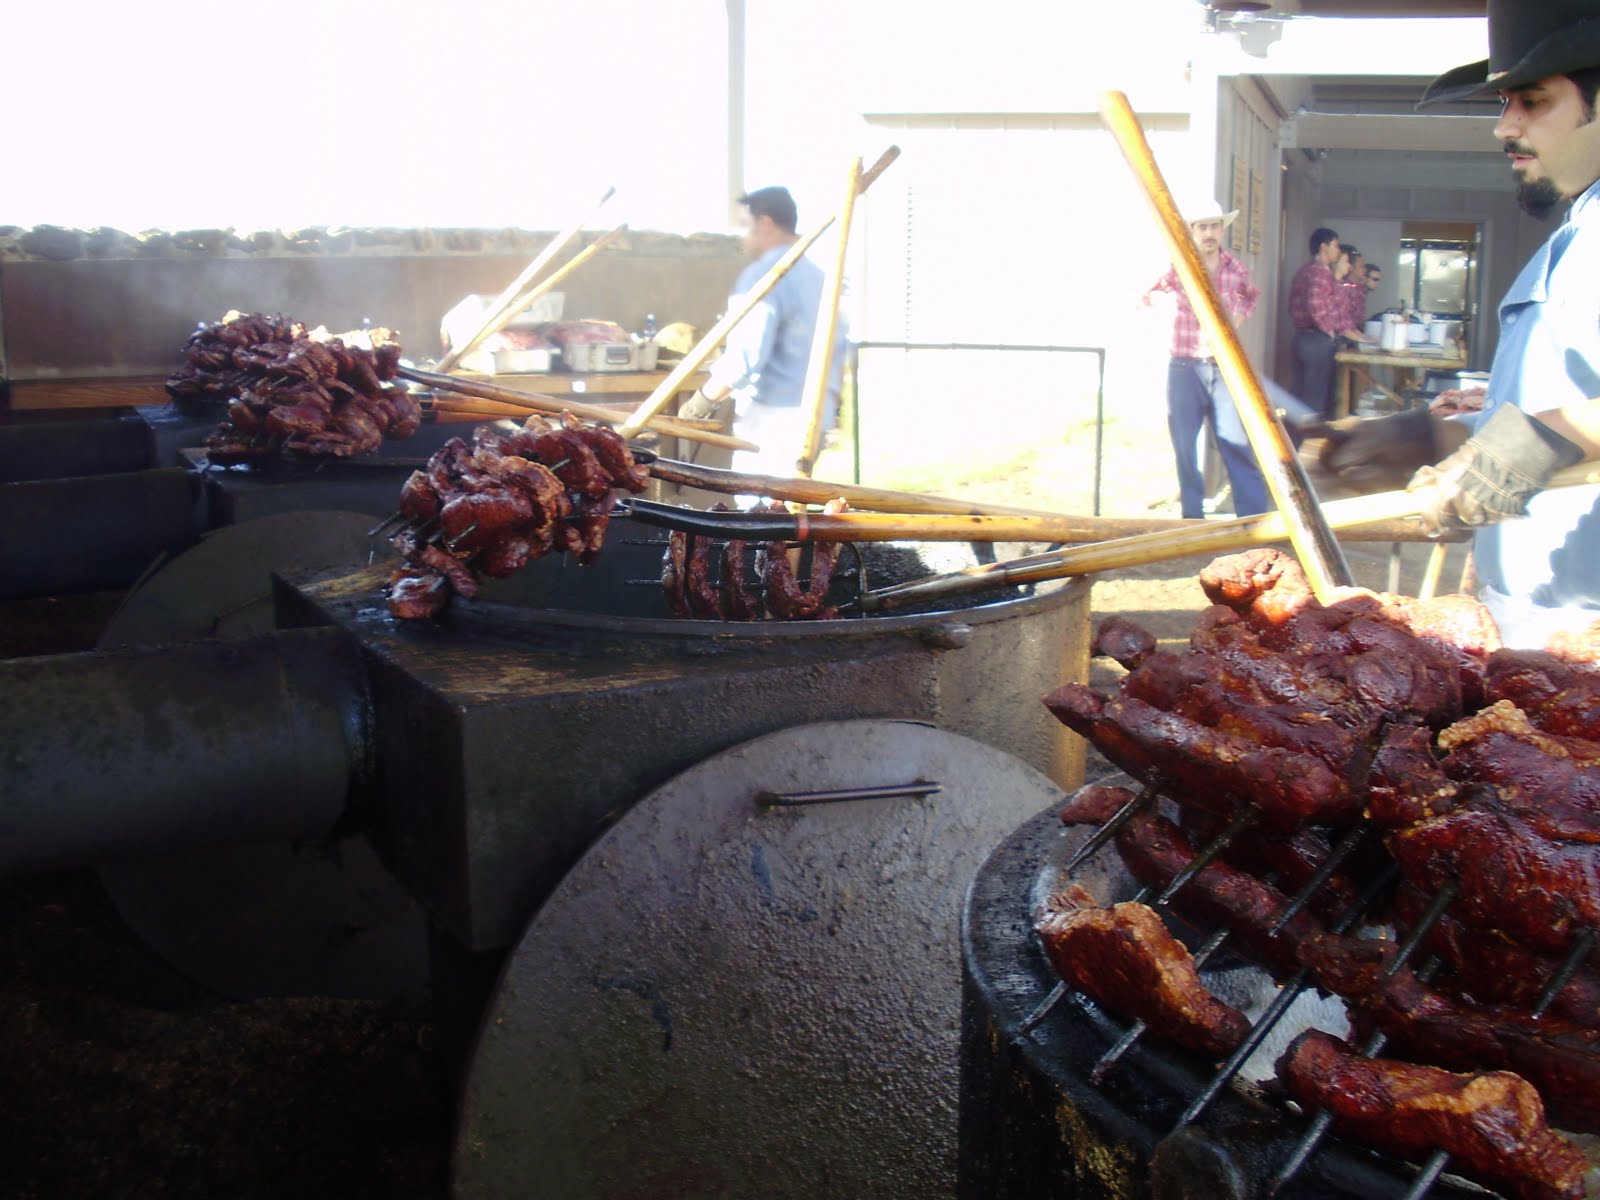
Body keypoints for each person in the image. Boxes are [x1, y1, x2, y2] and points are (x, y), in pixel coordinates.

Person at [1321, 0, 1600, 648]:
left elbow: (1552, 434)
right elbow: (1566, 411)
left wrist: (1526, 448)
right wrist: (1426, 437)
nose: (1505, 128)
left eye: (1532, 101)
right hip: (1535, 620)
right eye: (1504, 104)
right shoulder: (1579, 229)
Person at [679, 186, 845, 478]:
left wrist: (698, 404)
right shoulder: (821, 279)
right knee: (792, 512)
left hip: (774, 418)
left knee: (760, 514)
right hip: (817, 413)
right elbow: (840, 349)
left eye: (746, 226)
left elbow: (744, 358)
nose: (744, 238)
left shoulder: (765, 276)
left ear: (765, 223)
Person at [1138, 193, 1272, 519]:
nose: (1210, 233)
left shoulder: (1234, 267)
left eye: (1215, 226)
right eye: (1203, 228)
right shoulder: (1178, 264)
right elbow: (1145, 293)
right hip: (1184, 364)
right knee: (1185, 446)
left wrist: (1234, 323)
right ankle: (1193, 518)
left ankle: (1253, 518)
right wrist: (1166, 316)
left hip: (1222, 366)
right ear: (1193, 230)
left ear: (1222, 230)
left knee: (1235, 440)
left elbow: (1250, 297)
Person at [1288, 227, 1370, 419]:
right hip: (1316, 341)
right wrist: (1329, 332)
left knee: (1302, 394)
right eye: (1336, 245)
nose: (1338, 250)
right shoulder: (1318, 272)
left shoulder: (1306, 270)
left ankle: (1295, 442)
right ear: (1324, 247)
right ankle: (1305, 444)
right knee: (1313, 399)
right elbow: (1317, 307)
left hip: (1303, 338)